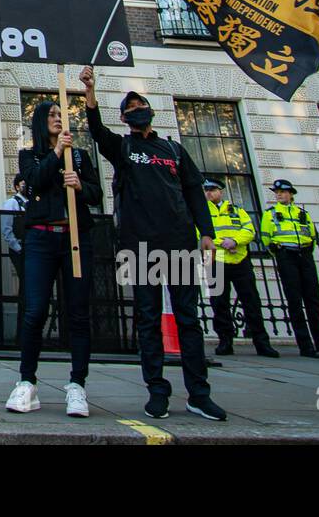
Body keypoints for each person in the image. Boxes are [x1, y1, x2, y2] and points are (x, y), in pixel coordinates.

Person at [80, 66, 227, 422]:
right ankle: (157, 391)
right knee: (146, 320)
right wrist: (90, 90)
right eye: (129, 109)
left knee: (188, 319)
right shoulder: (124, 147)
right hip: (138, 245)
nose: (136, 110)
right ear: (125, 118)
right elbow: (97, 131)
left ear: (150, 111)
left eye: (139, 105)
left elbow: (193, 190)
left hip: (179, 243)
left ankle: (198, 394)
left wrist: (206, 232)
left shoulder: (173, 150)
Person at [6, 102, 103, 417]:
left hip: (75, 238)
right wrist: (56, 153)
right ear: (39, 121)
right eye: (52, 115)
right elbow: (35, 179)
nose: (59, 119)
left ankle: (77, 385)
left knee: (77, 313)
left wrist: (80, 186)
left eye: (62, 115)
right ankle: (26, 381)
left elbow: (96, 193)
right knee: (35, 311)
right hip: (40, 238)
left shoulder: (80, 155)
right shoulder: (29, 155)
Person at [262, 179, 319, 359]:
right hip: (285, 255)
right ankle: (305, 346)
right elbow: (266, 238)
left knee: (313, 301)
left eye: (282, 192)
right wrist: (280, 252)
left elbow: (311, 235)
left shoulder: (302, 213)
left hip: (304, 255)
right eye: (277, 192)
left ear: (291, 194)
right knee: (295, 301)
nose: (279, 195)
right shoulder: (270, 214)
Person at [203, 178, 278, 358]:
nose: (209, 193)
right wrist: (224, 243)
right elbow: (200, 233)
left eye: (212, 190)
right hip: (215, 260)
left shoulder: (237, 210)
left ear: (221, 191)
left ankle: (261, 342)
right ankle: (225, 341)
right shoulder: (202, 211)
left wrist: (236, 241)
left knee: (251, 301)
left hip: (240, 259)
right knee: (219, 303)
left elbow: (249, 230)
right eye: (206, 190)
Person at [1, 173, 26, 339]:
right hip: (21, 250)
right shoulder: (12, 203)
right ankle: (21, 333)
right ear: (17, 186)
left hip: (34, 249)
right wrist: (18, 248)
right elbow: (7, 228)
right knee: (26, 288)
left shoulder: (34, 203)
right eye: (24, 184)